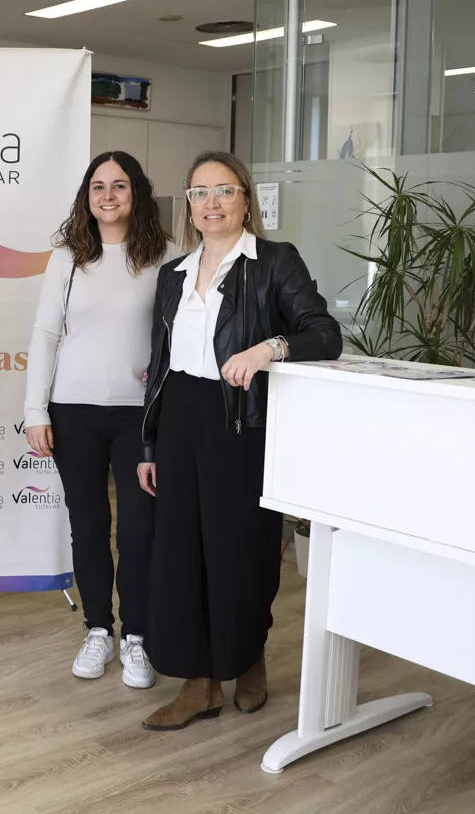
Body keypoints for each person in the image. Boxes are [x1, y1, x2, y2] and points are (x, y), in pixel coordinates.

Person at [136, 151, 342, 731]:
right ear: (189, 205)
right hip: (180, 418)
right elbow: (158, 365)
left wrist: (264, 349)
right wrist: (148, 446)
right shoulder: (173, 274)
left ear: (246, 199)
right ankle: (199, 683)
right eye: (199, 193)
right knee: (179, 554)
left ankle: (247, 658)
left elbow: (325, 335)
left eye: (223, 191)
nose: (211, 203)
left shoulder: (275, 261)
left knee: (241, 553)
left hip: (242, 424)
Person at [24, 151, 173, 690]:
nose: (108, 195)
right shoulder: (67, 256)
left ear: (137, 194)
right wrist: (34, 410)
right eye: (98, 186)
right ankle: (97, 630)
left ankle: (136, 637)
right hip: (73, 412)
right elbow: (44, 335)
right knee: (88, 527)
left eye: (120, 185)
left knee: (138, 532)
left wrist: (160, 380)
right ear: (87, 196)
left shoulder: (164, 257)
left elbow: (176, 339)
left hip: (139, 417)